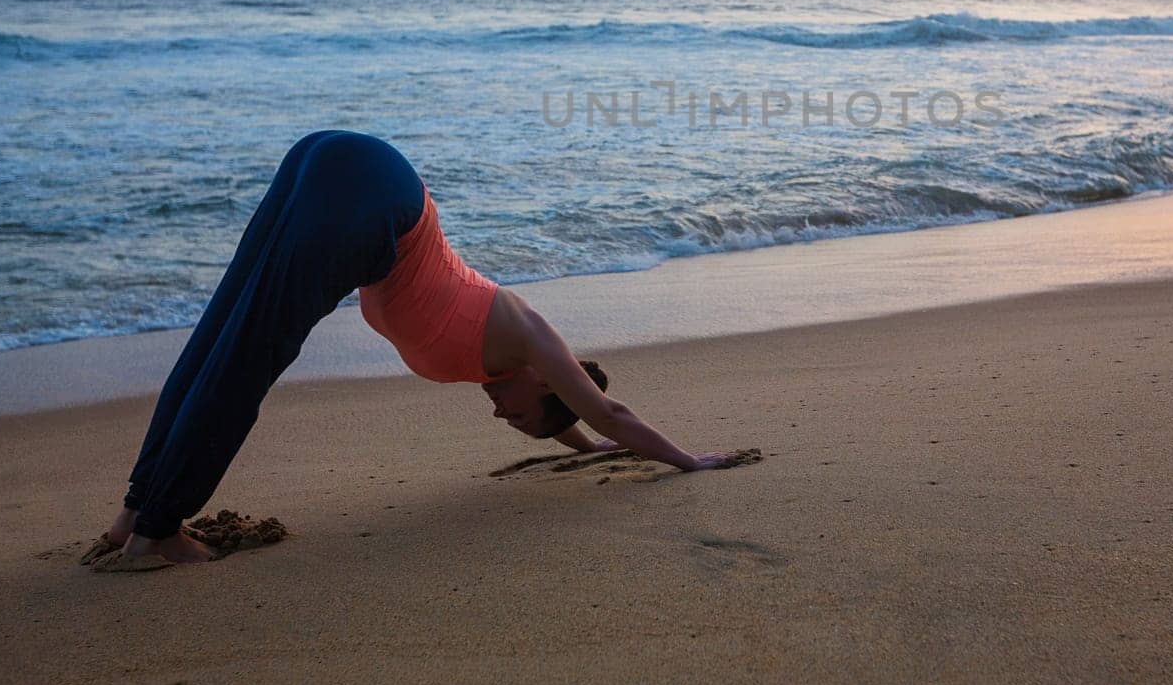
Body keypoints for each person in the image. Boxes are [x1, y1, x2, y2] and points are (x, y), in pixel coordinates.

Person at [93, 130, 737, 567]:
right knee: (245, 360)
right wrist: (690, 462)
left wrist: (591, 448)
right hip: (374, 197)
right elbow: (606, 412)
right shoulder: (529, 335)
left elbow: (583, 425)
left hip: (329, 162)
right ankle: (157, 531)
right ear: (545, 383)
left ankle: (136, 509)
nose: (497, 414)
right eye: (513, 415)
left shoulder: (517, 370)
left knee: (221, 335)